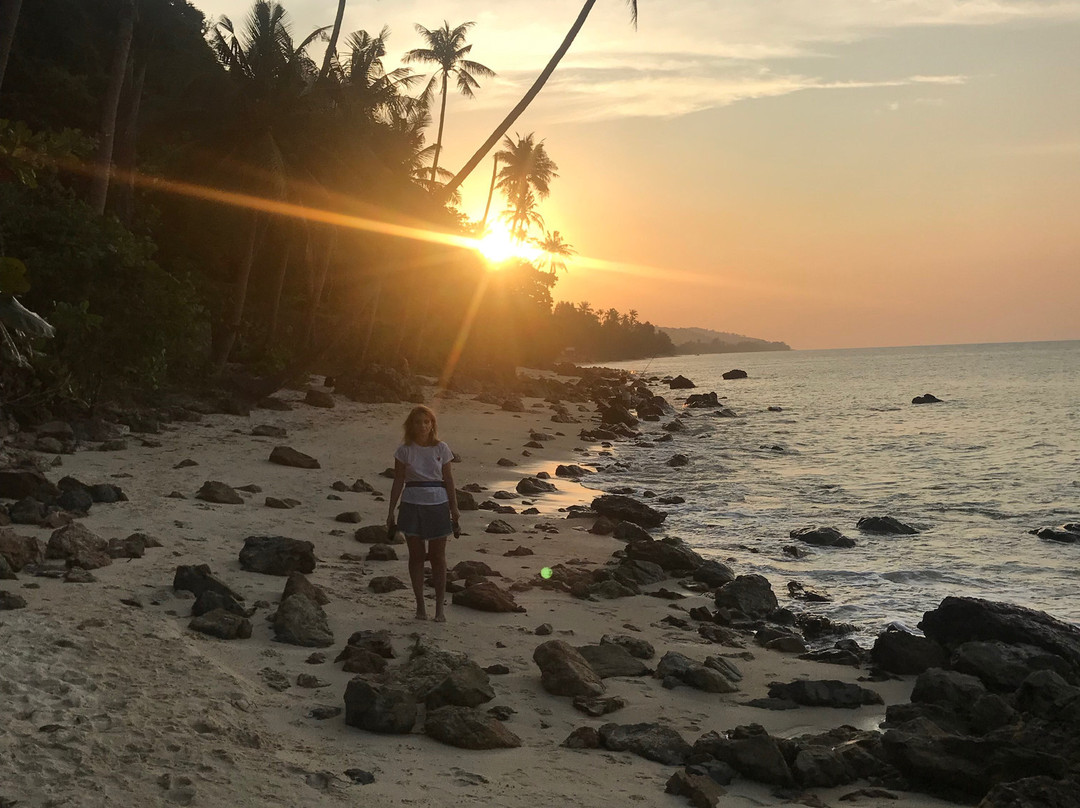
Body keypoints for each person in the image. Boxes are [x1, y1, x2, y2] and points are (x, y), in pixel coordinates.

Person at [387, 405, 460, 622]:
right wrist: (391, 511)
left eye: (426, 422)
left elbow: (449, 479)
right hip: (411, 504)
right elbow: (398, 481)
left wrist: (454, 508)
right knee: (416, 557)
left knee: (438, 557)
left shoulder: (441, 448)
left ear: (432, 424)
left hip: (438, 504)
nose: (422, 426)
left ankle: (439, 609)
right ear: (411, 425)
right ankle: (420, 606)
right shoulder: (404, 450)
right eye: (418, 422)